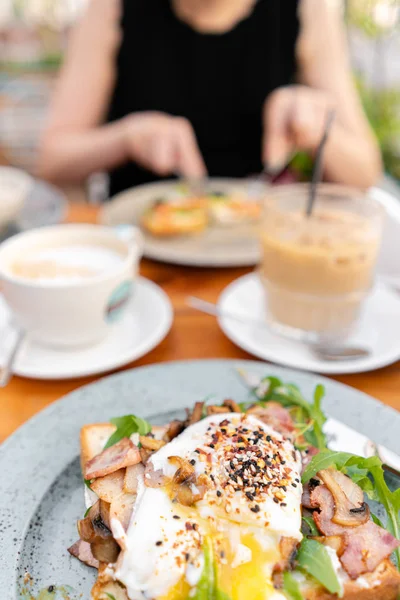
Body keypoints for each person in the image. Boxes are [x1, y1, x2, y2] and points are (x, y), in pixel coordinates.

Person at [38, 0, 382, 197]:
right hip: (141, 258)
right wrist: (126, 138)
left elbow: (364, 172)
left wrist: (318, 128)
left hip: (258, 256)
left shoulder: (306, 9)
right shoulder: (112, 8)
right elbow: (52, 160)